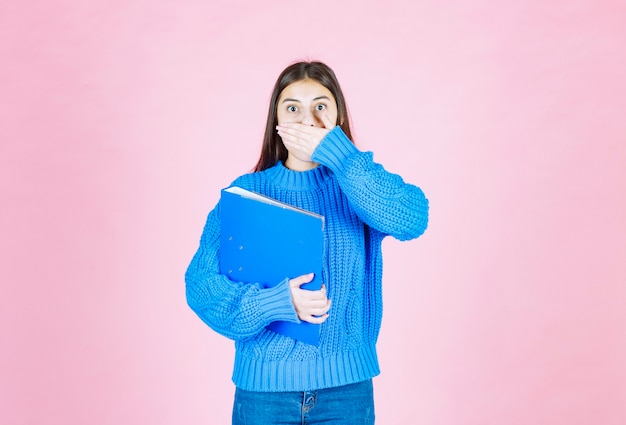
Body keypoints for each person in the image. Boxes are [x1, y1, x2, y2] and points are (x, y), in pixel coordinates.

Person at [185, 60, 429, 424]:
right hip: (264, 396)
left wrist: (341, 155)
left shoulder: (357, 186)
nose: (306, 120)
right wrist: (274, 303)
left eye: (320, 106)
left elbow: (413, 218)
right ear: (277, 121)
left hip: (346, 393)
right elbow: (201, 287)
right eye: (293, 108)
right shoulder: (247, 192)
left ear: (338, 117)